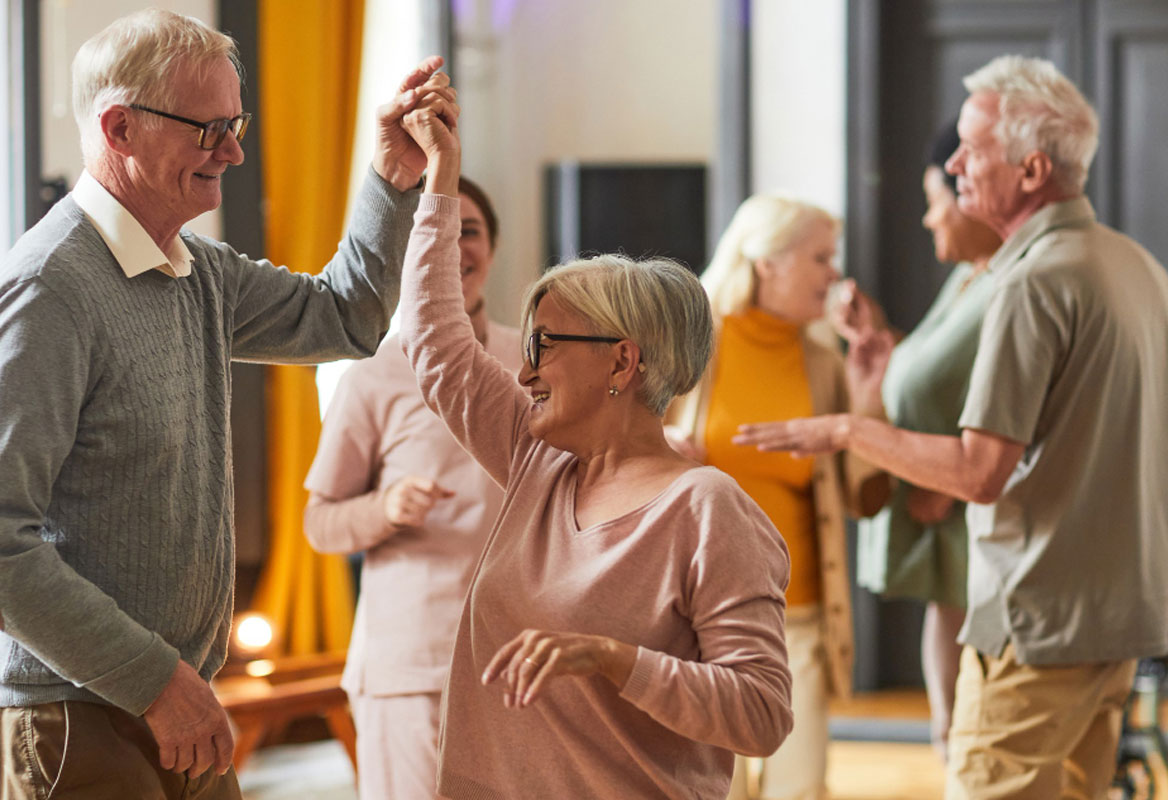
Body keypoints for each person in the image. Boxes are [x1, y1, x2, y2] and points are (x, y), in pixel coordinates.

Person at [0, 9, 457, 799]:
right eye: (209, 130)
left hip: (169, 701)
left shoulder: (198, 270)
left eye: (237, 124)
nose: (232, 151)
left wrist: (391, 177)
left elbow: (345, 316)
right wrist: (158, 683)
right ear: (120, 128)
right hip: (71, 718)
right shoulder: (46, 291)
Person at [735, 54, 1168, 800]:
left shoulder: (1032, 280)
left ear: (1032, 170)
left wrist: (846, 429)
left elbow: (978, 472)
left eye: (973, 148)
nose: (955, 164)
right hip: (1119, 621)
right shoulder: (1134, 264)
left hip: (1036, 625)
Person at [394, 90, 793, 799]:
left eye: (545, 345)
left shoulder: (706, 508)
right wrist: (441, 176)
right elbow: (436, 343)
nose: (523, 369)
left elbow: (762, 714)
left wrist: (613, 659)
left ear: (621, 361)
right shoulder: (534, 458)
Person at [303, 175, 521, 800]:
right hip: (413, 665)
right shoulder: (373, 371)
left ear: (493, 249)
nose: (455, 247)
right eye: (438, 232)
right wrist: (385, 509)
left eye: (470, 231)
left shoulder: (532, 365)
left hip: (520, 660)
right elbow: (321, 522)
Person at [665, 195, 885, 800]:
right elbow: (619, 450)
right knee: (711, 788)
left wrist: (867, 394)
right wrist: (661, 446)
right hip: (697, 618)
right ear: (768, 263)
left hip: (800, 618)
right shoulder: (688, 345)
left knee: (800, 786)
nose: (834, 274)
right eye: (820, 257)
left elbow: (866, 495)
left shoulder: (822, 363)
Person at [834, 122, 1002, 762]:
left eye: (936, 198)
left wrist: (957, 491)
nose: (930, 218)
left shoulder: (1006, 288)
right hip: (945, 517)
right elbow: (937, 369)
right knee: (954, 727)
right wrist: (880, 340)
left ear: (970, 196)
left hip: (970, 510)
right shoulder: (965, 278)